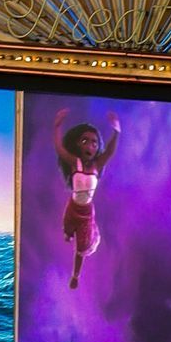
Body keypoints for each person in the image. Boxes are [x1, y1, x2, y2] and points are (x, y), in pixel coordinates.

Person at [60, 122, 121, 288]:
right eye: (85, 141)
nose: (90, 146)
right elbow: (60, 149)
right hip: (73, 205)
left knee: (82, 246)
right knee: (67, 227)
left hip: (86, 212)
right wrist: (57, 127)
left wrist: (116, 131)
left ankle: (75, 275)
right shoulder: (75, 163)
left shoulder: (96, 166)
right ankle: (68, 233)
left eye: (94, 142)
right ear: (78, 144)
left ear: (97, 147)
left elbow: (109, 152)